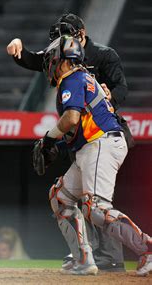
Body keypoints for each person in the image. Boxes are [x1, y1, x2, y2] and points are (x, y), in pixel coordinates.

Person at [7, 13, 128, 272]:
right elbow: (32, 59)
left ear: (81, 34)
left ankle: (113, 256)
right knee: (80, 198)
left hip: (102, 131)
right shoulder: (60, 55)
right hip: (80, 137)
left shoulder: (103, 55)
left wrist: (110, 95)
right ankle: (89, 255)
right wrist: (18, 48)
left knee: (96, 202)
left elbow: (122, 89)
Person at [40, 36, 151, 276]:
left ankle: (148, 249)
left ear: (62, 60)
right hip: (93, 144)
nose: (49, 65)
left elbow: (71, 118)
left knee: (96, 208)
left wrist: (48, 138)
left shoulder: (73, 78)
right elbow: (76, 125)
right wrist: (56, 143)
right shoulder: (81, 77)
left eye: (52, 60)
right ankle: (83, 259)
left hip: (101, 142)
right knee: (60, 197)